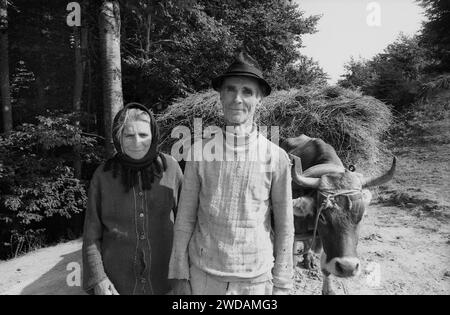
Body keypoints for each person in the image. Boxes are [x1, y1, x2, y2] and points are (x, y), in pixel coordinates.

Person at [168, 52, 294, 295]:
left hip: (255, 282)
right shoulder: (199, 152)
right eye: (230, 90)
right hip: (203, 277)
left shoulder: (276, 157)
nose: (238, 98)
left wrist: (282, 283)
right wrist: (180, 272)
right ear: (220, 96)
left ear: (259, 98)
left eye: (247, 91)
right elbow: (184, 219)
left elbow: (286, 226)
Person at [82, 102, 183, 295]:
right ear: (118, 138)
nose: (137, 142)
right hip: (117, 285)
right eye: (129, 135)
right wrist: (98, 279)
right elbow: (91, 235)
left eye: (143, 135)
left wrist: (184, 277)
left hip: (167, 283)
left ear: (153, 136)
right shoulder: (103, 175)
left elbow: (186, 224)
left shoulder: (170, 168)